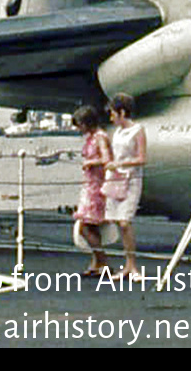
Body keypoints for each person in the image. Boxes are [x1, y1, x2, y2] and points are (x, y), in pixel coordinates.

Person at [104, 93, 145, 279]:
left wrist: (120, 164)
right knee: (119, 222)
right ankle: (127, 265)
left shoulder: (138, 130)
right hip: (116, 178)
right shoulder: (118, 132)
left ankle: (132, 265)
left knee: (125, 221)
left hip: (131, 180)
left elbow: (141, 158)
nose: (111, 117)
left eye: (113, 113)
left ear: (122, 112)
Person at [72, 104, 112, 277]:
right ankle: (97, 262)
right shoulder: (92, 137)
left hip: (96, 185)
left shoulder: (100, 137)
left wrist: (90, 162)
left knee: (85, 226)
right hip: (89, 184)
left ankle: (102, 261)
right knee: (91, 225)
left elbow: (106, 158)